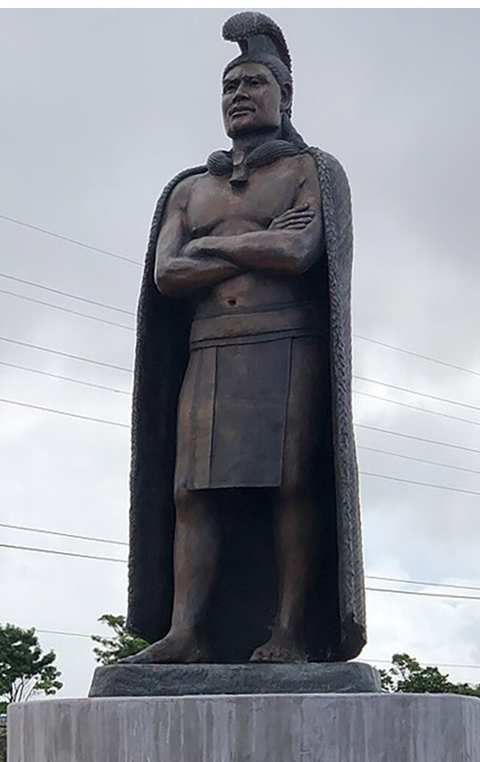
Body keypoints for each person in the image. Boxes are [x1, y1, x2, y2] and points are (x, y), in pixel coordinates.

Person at [126, 11, 366, 665]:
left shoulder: (308, 171)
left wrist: (217, 245)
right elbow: (168, 273)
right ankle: (186, 630)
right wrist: (252, 243)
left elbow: (299, 251)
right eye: (229, 85)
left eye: (253, 81)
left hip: (284, 341)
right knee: (190, 491)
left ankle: (288, 629)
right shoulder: (189, 188)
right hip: (209, 347)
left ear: (283, 96)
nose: (239, 94)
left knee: (289, 482)